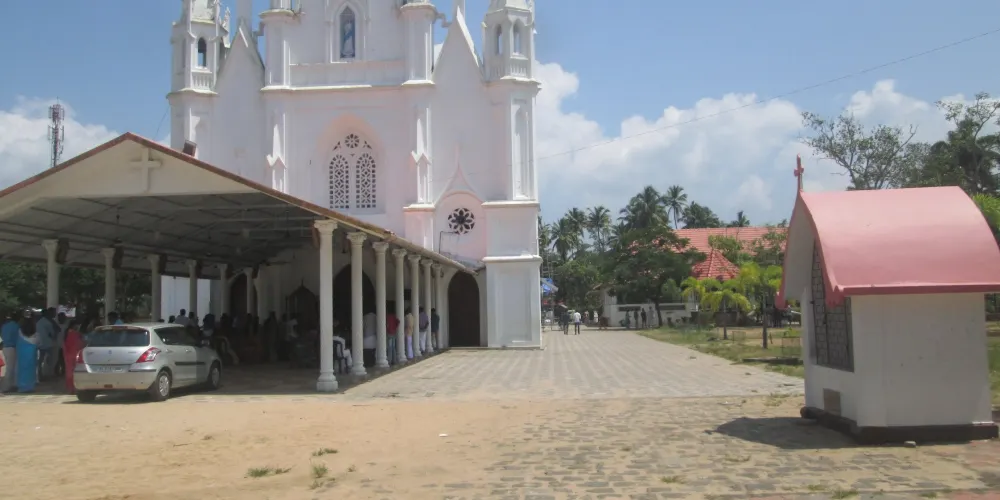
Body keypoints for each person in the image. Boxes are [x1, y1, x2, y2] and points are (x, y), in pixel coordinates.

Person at [16, 311, 39, 393]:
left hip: (22, 350)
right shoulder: (35, 330)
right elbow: (37, 340)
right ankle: (30, 386)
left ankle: (22, 386)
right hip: (32, 350)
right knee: (31, 368)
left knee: (22, 368)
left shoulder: (19, 330)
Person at [36, 308, 59, 380]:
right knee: (51, 360)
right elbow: (53, 333)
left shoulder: (39, 322)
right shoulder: (48, 323)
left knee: (40, 361)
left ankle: (40, 375)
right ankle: (49, 374)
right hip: (48, 344)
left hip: (39, 344)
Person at [62, 319, 84, 394]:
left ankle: (71, 388)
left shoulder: (68, 333)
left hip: (69, 355)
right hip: (73, 354)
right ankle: (73, 388)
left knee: (69, 372)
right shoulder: (75, 334)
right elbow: (80, 344)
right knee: (73, 372)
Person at [1, 312, 20, 393]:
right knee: (12, 368)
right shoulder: (16, 326)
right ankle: (8, 386)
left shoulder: (4, 326)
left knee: (9, 367)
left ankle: (8, 386)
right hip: (13, 347)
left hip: (5, 347)